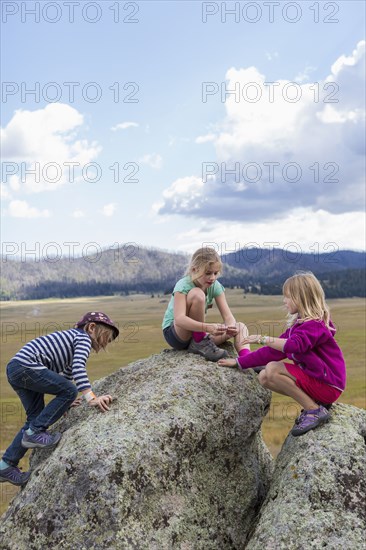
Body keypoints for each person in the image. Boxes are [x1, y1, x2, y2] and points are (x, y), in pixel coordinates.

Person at [218, 272, 346, 436]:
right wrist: (239, 362)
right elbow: (273, 351)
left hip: (328, 385)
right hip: (319, 382)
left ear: (301, 298)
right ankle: (315, 404)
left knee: (272, 369)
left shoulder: (315, 324)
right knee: (264, 377)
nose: (284, 301)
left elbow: (293, 346)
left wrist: (262, 338)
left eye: (287, 297)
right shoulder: (299, 325)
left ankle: (313, 410)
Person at [0, 311, 119, 486]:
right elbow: (78, 369)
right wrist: (91, 398)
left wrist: (66, 403)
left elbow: (67, 374)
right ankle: (35, 433)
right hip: (26, 367)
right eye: (106, 337)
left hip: (17, 369)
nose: (104, 344)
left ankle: (6, 465)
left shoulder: (71, 339)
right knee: (70, 391)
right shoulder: (83, 338)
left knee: (35, 418)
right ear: (92, 327)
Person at [162, 247, 250, 361]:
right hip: (176, 334)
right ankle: (199, 342)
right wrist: (208, 327)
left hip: (199, 335)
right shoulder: (183, 285)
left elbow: (228, 316)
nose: (212, 278)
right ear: (194, 270)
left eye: (215, 273)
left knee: (240, 327)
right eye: (208, 273)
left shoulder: (215, 285)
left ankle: (248, 360)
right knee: (197, 294)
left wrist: (230, 328)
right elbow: (179, 319)